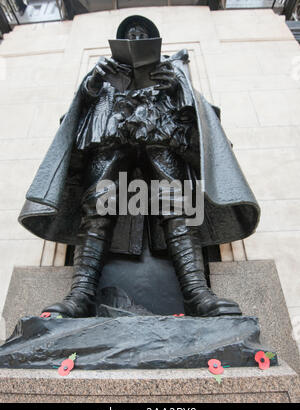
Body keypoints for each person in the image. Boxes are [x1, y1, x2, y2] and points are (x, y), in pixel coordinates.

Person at [19, 15, 260, 318]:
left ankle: (197, 294)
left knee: (178, 203)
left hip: (161, 132)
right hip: (111, 134)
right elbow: (78, 111)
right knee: (96, 206)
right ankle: (79, 296)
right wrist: (92, 84)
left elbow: (198, 111)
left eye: (142, 34)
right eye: (130, 34)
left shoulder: (172, 69)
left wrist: (176, 88)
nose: (135, 36)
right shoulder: (104, 74)